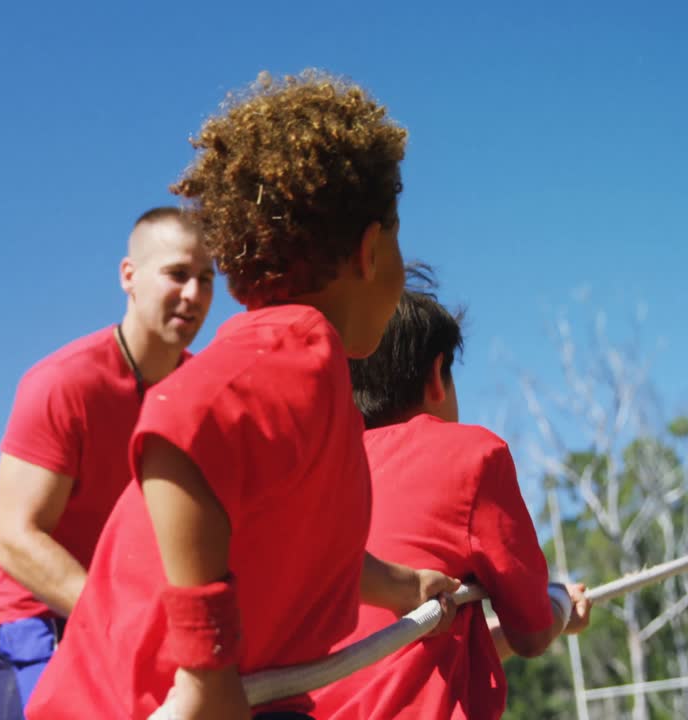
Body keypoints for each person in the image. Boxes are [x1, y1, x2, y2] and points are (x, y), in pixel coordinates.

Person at [27, 70, 459, 720]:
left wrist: (407, 587)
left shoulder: (307, 378)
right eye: (398, 237)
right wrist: (206, 669)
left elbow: (319, 553)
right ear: (371, 250)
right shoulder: (298, 348)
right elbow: (179, 428)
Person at [0, 207, 216, 720]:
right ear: (129, 276)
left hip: (132, 618)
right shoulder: (64, 386)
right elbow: (18, 541)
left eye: (206, 279)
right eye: (177, 274)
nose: (193, 294)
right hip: (32, 617)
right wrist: (124, 619)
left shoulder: (203, 397)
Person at [310, 272, 592, 720]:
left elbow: (399, 658)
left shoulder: (309, 477)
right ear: (437, 375)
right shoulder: (471, 456)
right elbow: (532, 633)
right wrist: (558, 603)